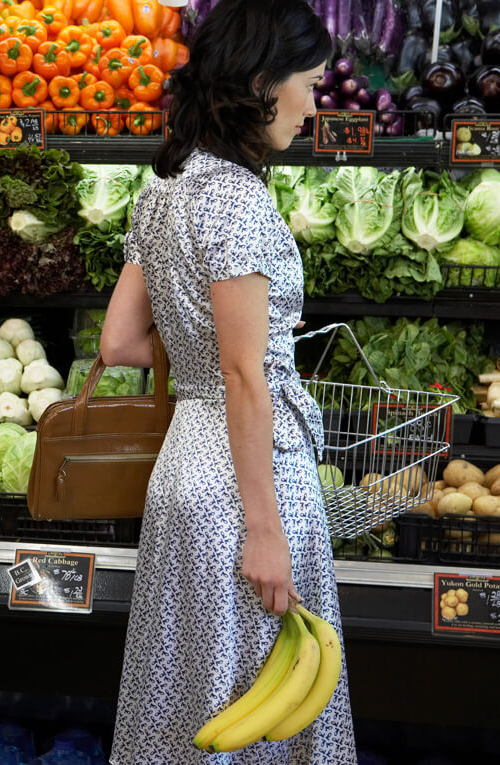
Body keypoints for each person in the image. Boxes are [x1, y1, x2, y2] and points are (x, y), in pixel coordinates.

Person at [100, 0, 357, 761]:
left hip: (184, 467)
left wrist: (202, 353)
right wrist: (266, 529)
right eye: (309, 84)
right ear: (258, 83)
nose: (314, 106)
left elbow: (118, 341)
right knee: (256, 702)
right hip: (249, 479)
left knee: (187, 695)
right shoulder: (238, 202)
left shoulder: (165, 187)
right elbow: (246, 378)